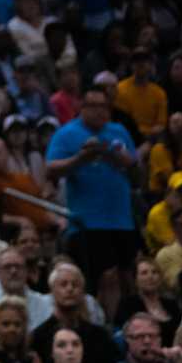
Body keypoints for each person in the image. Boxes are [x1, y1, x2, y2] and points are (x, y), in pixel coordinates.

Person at [46, 89, 140, 295]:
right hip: (88, 221)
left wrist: (121, 158)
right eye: (93, 106)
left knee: (128, 277)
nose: (100, 112)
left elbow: (136, 169)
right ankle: (106, 322)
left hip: (121, 218)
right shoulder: (67, 133)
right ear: (82, 108)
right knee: (106, 276)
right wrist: (80, 159)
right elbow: (51, 168)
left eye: (104, 107)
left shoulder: (119, 131)